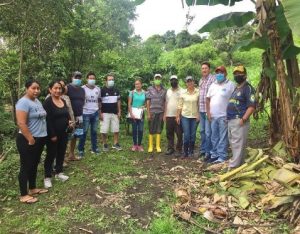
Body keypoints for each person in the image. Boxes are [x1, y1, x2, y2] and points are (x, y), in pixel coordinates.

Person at [15, 79, 48, 203]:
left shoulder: (37, 101)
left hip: (39, 138)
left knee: (34, 164)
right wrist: (30, 139)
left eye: (38, 88)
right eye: (33, 88)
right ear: (27, 88)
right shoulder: (23, 102)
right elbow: (21, 123)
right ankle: (24, 195)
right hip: (27, 139)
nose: (36, 91)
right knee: (26, 166)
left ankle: (33, 188)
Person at [43, 81, 72, 189]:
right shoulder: (48, 102)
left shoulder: (63, 100)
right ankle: (47, 177)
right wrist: (52, 134)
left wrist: (69, 122)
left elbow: (67, 114)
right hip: (52, 134)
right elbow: (47, 120)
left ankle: (59, 172)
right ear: (50, 89)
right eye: (55, 88)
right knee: (51, 154)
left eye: (59, 88)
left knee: (61, 152)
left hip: (64, 133)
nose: (58, 90)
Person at [227, 65, 256, 169]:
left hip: (239, 120)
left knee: (237, 144)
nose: (237, 75)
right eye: (235, 73)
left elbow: (252, 106)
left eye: (239, 73)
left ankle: (233, 167)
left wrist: (243, 119)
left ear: (245, 75)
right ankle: (240, 165)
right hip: (231, 120)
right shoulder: (236, 88)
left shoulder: (248, 88)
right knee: (234, 144)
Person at [206, 66, 235, 163]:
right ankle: (215, 154)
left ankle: (222, 156)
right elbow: (207, 99)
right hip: (213, 116)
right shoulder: (212, 85)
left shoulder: (231, 85)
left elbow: (234, 100)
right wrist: (208, 112)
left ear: (225, 73)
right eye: (217, 72)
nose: (219, 74)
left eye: (221, 72)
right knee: (214, 136)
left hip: (224, 116)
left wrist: (230, 114)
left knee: (223, 137)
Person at [78, 72, 101, 156]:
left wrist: (99, 111)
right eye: (90, 78)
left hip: (95, 113)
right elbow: (79, 101)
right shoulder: (82, 88)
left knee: (94, 132)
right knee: (83, 132)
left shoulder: (98, 89)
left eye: (93, 78)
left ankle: (94, 148)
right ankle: (81, 150)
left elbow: (99, 101)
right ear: (87, 79)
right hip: (85, 113)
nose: (92, 80)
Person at [176, 76, 199, 158]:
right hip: (185, 116)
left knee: (193, 135)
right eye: (188, 81)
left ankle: (191, 152)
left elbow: (199, 105)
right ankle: (185, 152)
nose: (189, 83)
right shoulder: (183, 93)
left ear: (193, 82)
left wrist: (198, 115)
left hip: (194, 116)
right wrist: (177, 116)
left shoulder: (198, 92)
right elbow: (179, 105)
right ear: (186, 83)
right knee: (186, 135)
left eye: (191, 81)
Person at [100, 74, 122, 151]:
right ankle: (104, 144)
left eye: (112, 79)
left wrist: (119, 111)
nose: (111, 81)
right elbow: (99, 102)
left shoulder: (116, 90)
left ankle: (115, 143)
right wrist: (100, 113)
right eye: (109, 80)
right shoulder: (102, 90)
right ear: (106, 81)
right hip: (105, 113)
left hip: (115, 112)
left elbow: (119, 101)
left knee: (116, 129)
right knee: (104, 130)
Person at [66, 71, 85, 161]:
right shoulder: (67, 88)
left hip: (79, 116)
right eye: (76, 77)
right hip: (69, 116)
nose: (78, 79)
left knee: (75, 136)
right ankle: (62, 157)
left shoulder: (82, 89)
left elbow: (83, 101)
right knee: (66, 136)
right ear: (72, 77)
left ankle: (71, 154)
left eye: (79, 77)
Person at [146, 74, 167, 153]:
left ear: (161, 79)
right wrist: (148, 113)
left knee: (159, 129)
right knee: (151, 129)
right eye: (156, 78)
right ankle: (151, 146)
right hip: (152, 112)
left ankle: (158, 146)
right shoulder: (149, 89)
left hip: (160, 112)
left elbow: (165, 102)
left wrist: (165, 114)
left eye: (159, 78)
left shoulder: (164, 90)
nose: (157, 79)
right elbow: (148, 101)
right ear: (154, 79)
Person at [198, 62, 215, 158]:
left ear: (209, 69)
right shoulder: (201, 80)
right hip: (201, 109)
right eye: (202, 68)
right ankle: (203, 149)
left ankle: (209, 152)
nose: (204, 70)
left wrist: (209, 111)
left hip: (208, 110)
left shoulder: (213, 79)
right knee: (202, 131)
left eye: (206, 68)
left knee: (209, 132)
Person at [164, 75, 183, 156]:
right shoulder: (168, 91)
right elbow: (166, 102)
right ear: (170, 81)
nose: (173, 81)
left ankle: (178, 149)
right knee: (169, 133)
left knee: (179, 133)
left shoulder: (182, 90)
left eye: (175, 80)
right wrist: (165, 114)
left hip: (178, 116)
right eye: (172, 80)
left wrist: (179, 115)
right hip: (169, 115)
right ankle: (170, 148)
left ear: (177, 81)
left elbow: (183, 103)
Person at [128, 78, 146, 151]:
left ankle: (139, 145)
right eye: (136, 84)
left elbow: (146, 103)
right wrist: (131, 113)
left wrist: (143, 106)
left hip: (141, 114)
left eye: (138, 84)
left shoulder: (145, 92)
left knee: (141, 130)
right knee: (134, 129)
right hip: (134, 114)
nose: (137, 85)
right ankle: (135, 145)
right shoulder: (132, 93)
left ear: (141, 84)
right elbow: (129, 104)